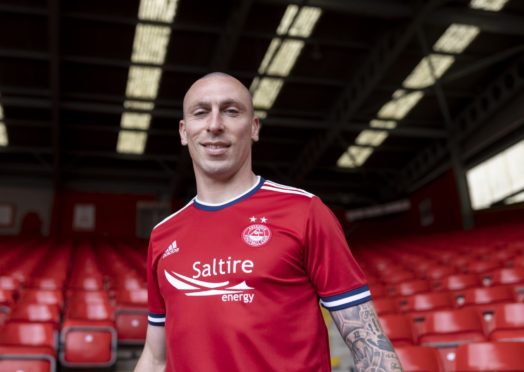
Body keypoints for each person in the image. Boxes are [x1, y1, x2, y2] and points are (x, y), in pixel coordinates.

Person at [135, 72, 402, 372]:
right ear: (184, 132)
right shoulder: (163, 236)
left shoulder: (305, 212)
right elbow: (156, 357)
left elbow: (369, 345)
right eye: (200, 113)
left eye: (231, 111)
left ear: (254, 127)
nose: (214, 125)